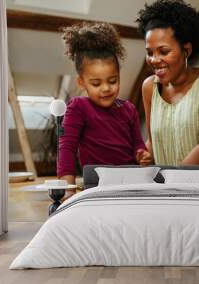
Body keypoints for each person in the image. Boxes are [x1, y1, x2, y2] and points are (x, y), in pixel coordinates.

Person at [136, 0, 199, 166]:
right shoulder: (149, 87)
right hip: (169, 187)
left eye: (164, 51)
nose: (154, 60)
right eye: (149, 52)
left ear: (186, 50)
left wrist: (172, 180)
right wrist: (144, 155)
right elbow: (154, 143)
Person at [58, 22, 152, 197]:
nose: (106, 88)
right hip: (97, 185)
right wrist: (68, 190)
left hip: (131, 182)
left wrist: (141, 154)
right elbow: (66, 149)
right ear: (81, 82)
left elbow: (137, 144)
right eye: (96, 83)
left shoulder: (129, 108)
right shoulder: (78, 107)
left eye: (112, 80)